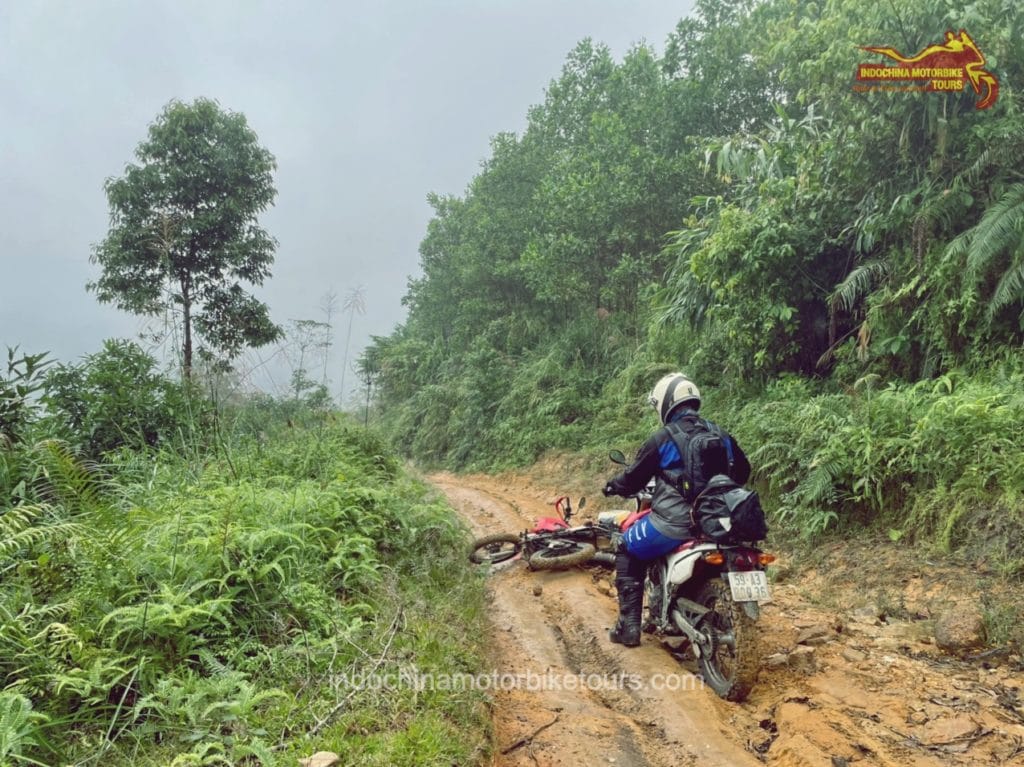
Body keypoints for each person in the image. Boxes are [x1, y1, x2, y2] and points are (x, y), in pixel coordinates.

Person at [601, 372, 751, 647]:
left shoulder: (662, 439)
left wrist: (614, 486)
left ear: (666, 403)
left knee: (626, 548)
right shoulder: (721, 433)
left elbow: (633, 479)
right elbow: (743, 471)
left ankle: (629, 627)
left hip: (674, 524)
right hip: (720, 522)